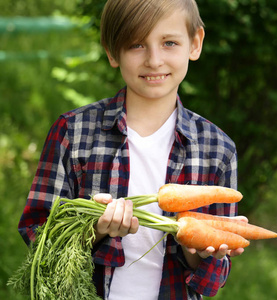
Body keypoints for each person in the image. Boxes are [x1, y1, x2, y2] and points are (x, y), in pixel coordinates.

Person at [17, 0, 245, 299]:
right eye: (136, 44)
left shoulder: (218, 149)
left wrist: (200, 250)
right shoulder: (73, 132)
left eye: (169, 43)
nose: (154, 60)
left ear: (195, 43)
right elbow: (38, 237)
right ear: (113, 52)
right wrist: (95, 230)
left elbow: (210, 284)